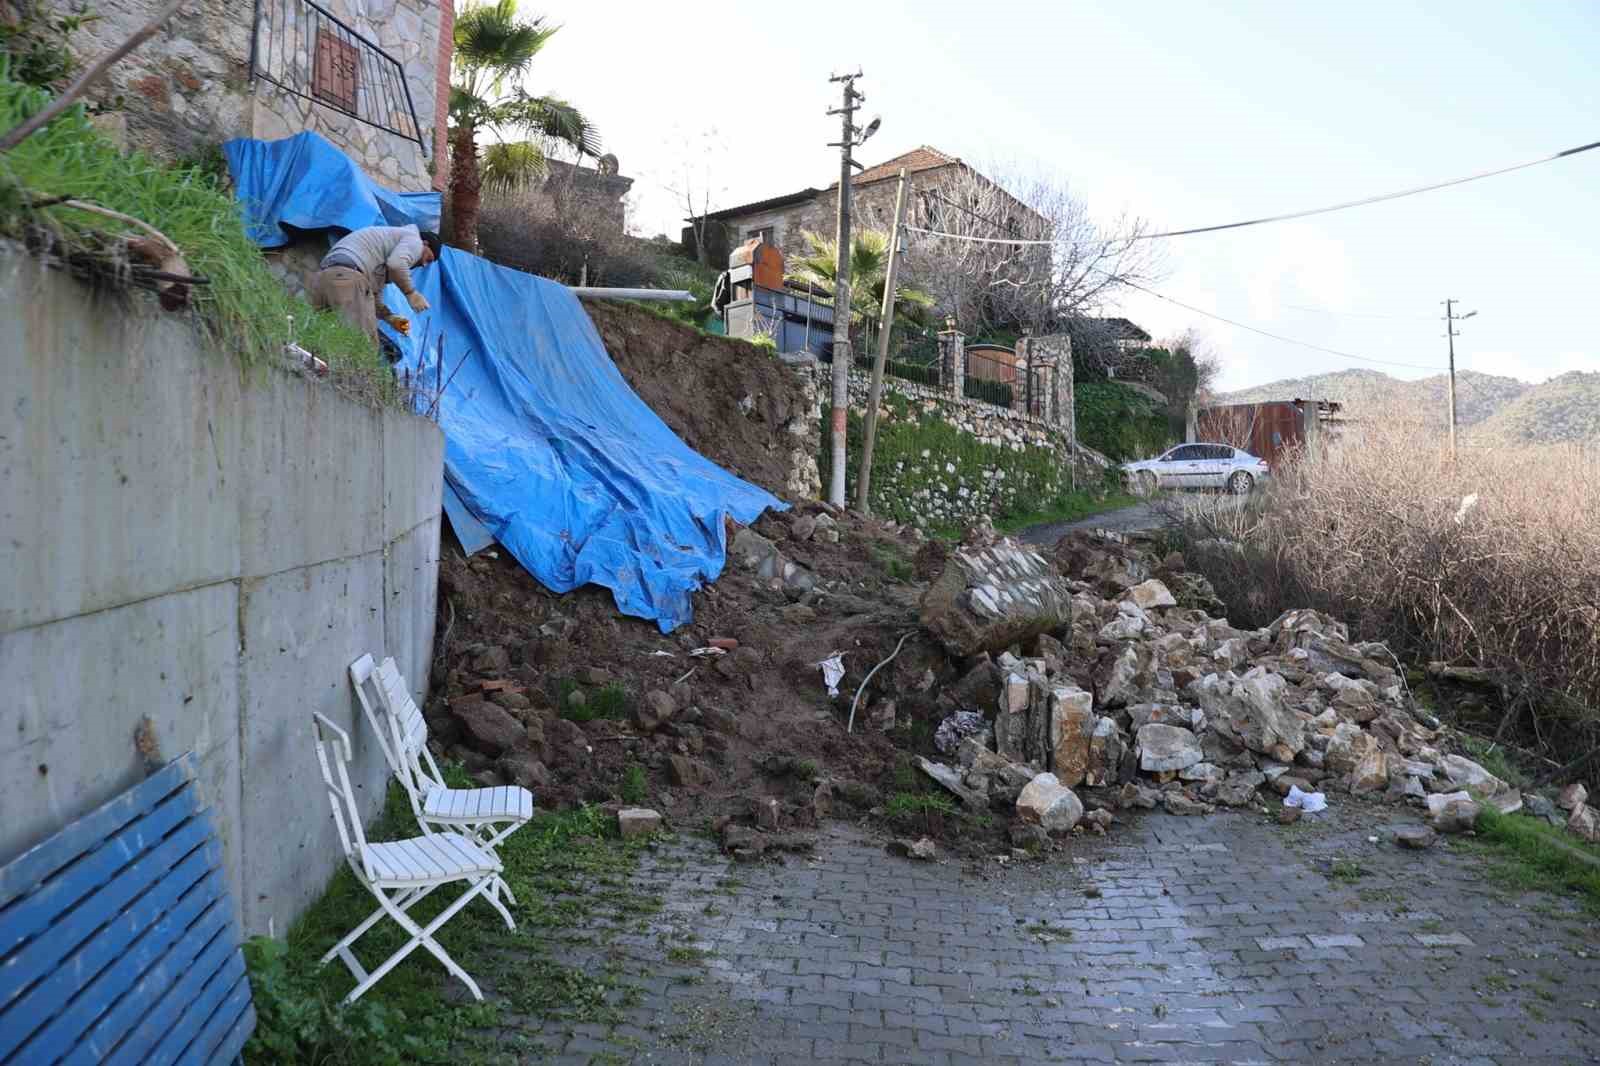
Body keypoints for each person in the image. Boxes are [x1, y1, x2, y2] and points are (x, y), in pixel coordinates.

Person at [309, 225, 441, 345]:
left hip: (324, 278)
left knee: (318, 341)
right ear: (425, 243)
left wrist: (389, 317)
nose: (424, 264)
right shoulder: (414, 240)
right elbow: (396, 264)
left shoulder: (379, 251)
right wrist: (411, 293)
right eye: (428, 259)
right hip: (348, 277)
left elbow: (372, 294)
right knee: (363, 347)